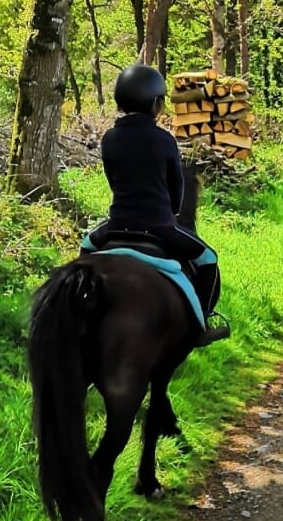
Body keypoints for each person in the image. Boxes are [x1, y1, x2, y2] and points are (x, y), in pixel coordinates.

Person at [82, 64, 228, 347]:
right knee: (209, 259)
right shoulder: (164, 140)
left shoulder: (109, 139)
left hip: (116, 225)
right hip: (159, 227)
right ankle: (205, 321)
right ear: (155, 103)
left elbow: (114, 181)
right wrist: (170, 209)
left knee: (86, 249)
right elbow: (176, 192)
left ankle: (81, 312)